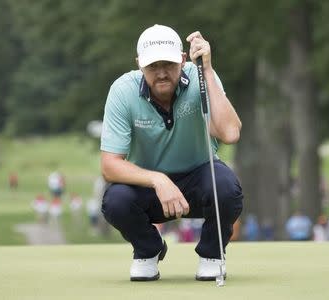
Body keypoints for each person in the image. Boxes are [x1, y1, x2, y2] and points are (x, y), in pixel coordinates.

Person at [100, 24, 243, 281]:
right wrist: (158, 179)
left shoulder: (201, 77)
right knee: (115, 200)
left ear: (183, 60)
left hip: (200, 175)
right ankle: (148, 249)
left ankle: (212, 253)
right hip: (148, 186)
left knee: (227, 188)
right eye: (153, 66)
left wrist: (208, 70)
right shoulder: (123, 91)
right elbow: (110, 165)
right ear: (139, 65)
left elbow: (230, 133)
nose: (162, 73)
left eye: (169, 64)